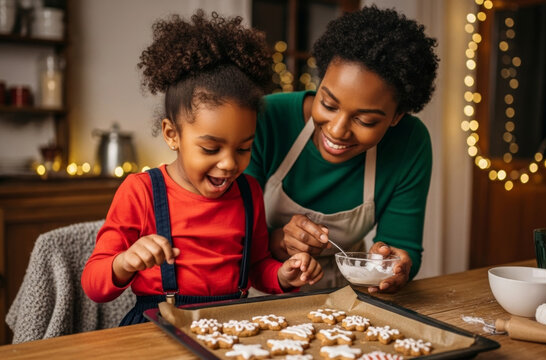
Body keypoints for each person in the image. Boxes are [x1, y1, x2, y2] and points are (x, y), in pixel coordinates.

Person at [81, 10, 323, 325]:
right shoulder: (140, 192)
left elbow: (257, 266)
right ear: (172, 135)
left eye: (243, 148)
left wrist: (284, 275)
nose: (229, 163)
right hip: (159, 325)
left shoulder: (248, 192)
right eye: (210, 148)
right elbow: (93, 285)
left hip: (231, 324)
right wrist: (124, 263)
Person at [245, 6, 438, 293]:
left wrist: (394, 265)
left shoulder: (410, 142)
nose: (336, 130)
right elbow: (232, 237)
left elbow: (403, 247)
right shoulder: (267, 119)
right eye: (328, 104)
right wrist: (279, 241)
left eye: (365, 120)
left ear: (397, 116)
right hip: (262, 291)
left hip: (348, 294)